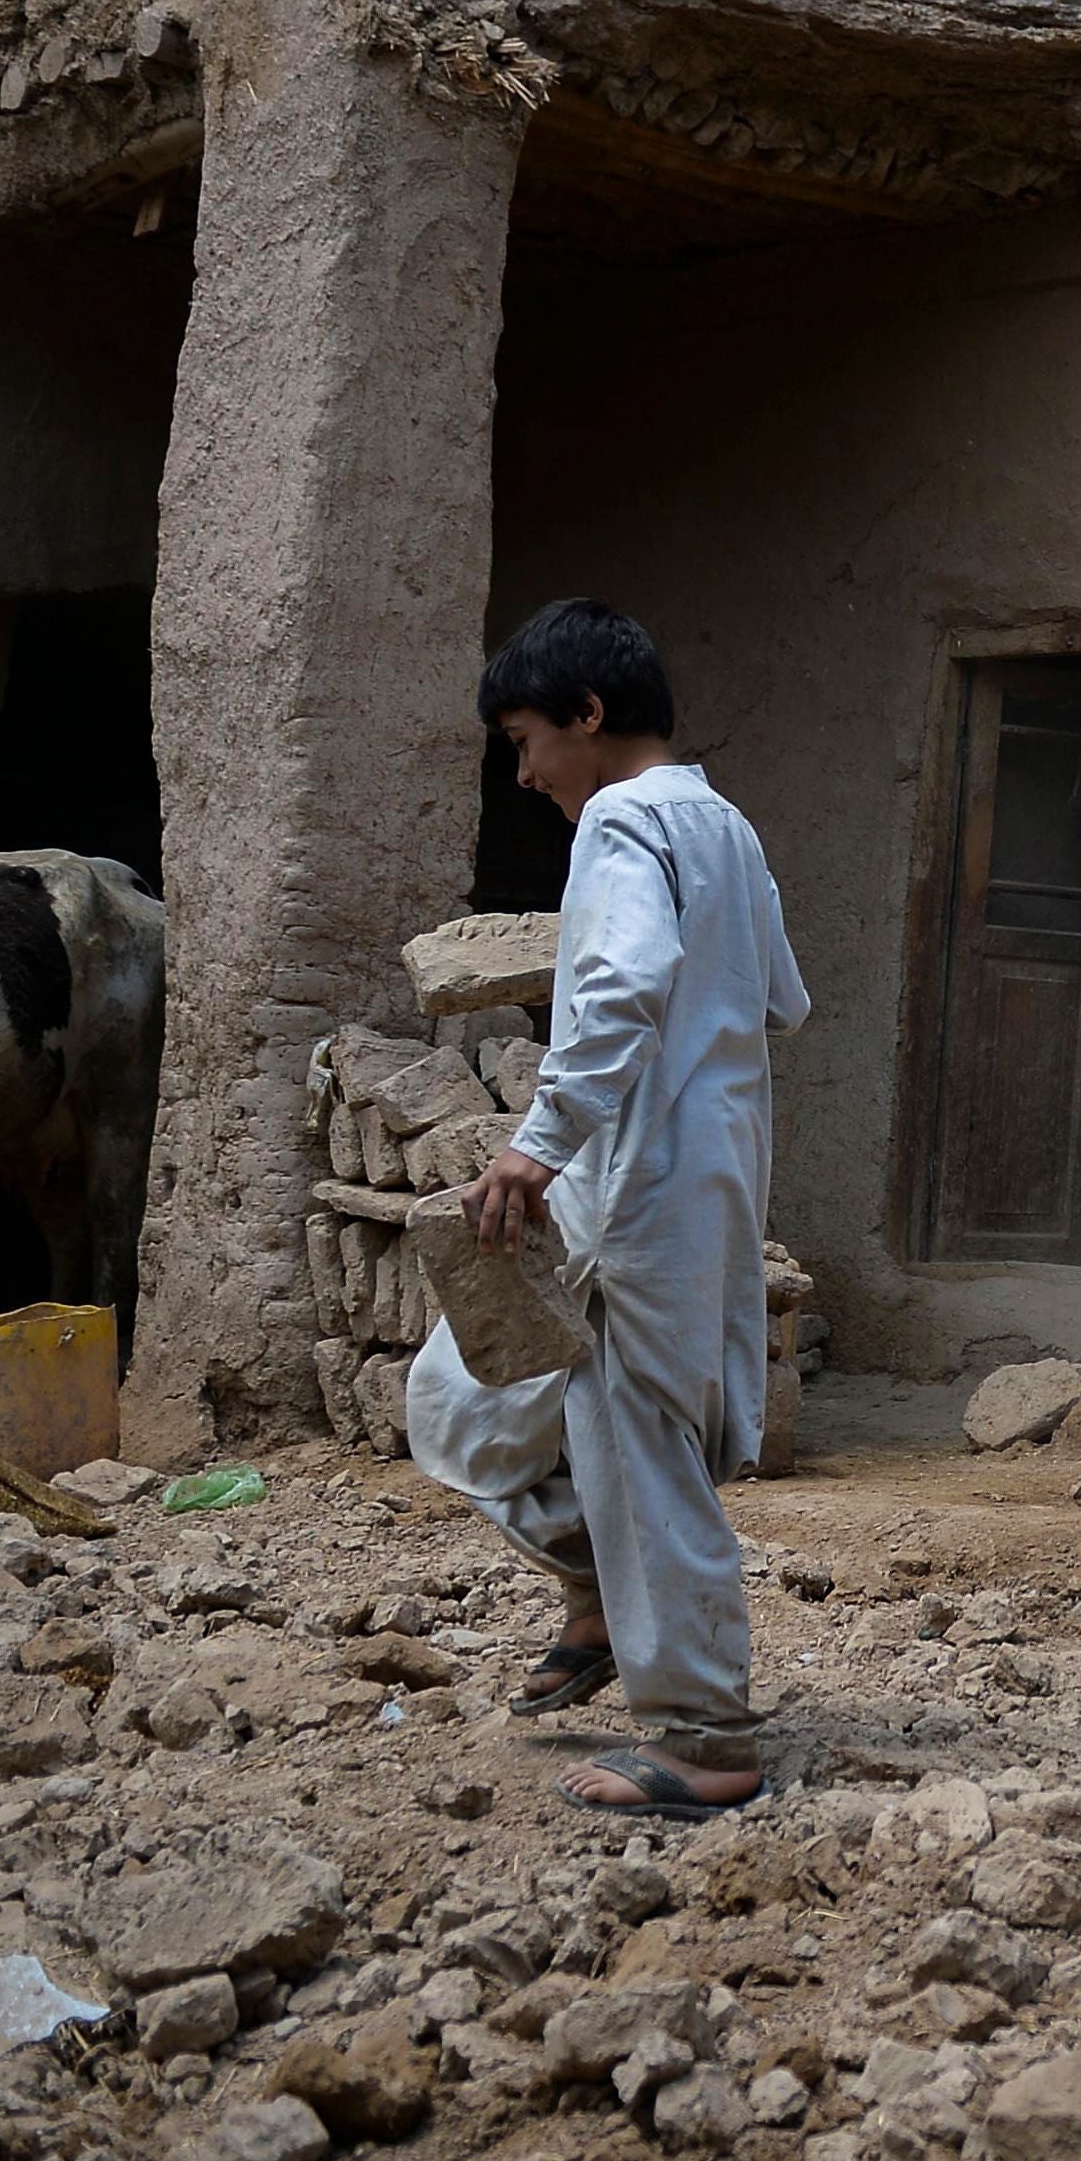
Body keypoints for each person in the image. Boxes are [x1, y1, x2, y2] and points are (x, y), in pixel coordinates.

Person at [406, 599, 811, 1818]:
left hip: (636, 1179)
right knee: (459, 1395)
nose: (524, 773)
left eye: (529, 740)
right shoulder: (723, 823)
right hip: (692, 1168)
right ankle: (594, 1591)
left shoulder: (626, 819)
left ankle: (703, 1738)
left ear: (589, 716)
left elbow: (631, 978)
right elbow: (781, 999)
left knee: (639, 1448)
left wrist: (537, 1143)